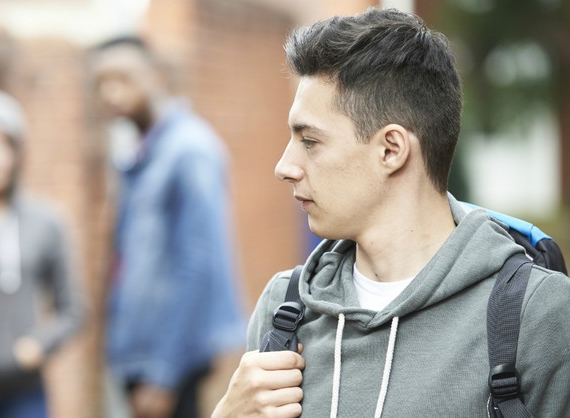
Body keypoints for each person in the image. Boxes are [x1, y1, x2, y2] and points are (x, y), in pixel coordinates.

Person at [212, 8, 570, 418]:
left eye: (310, 141)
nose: (284, 167)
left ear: (391, 150)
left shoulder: (538, 316)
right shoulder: (284, 309)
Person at [90, 36, 246, 418]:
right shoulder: (143, 151)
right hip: (140, 356)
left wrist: (164, 374)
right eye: (102, 82)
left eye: (123, 78)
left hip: (167, 362)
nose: (111, 92)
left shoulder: (189, 150)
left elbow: (199, 265)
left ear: (156, 75)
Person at [0, 87, 84, 418]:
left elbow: (74, 309)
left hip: (21, 393)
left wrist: (39, 344)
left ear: (16, 153)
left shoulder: (45, 222)